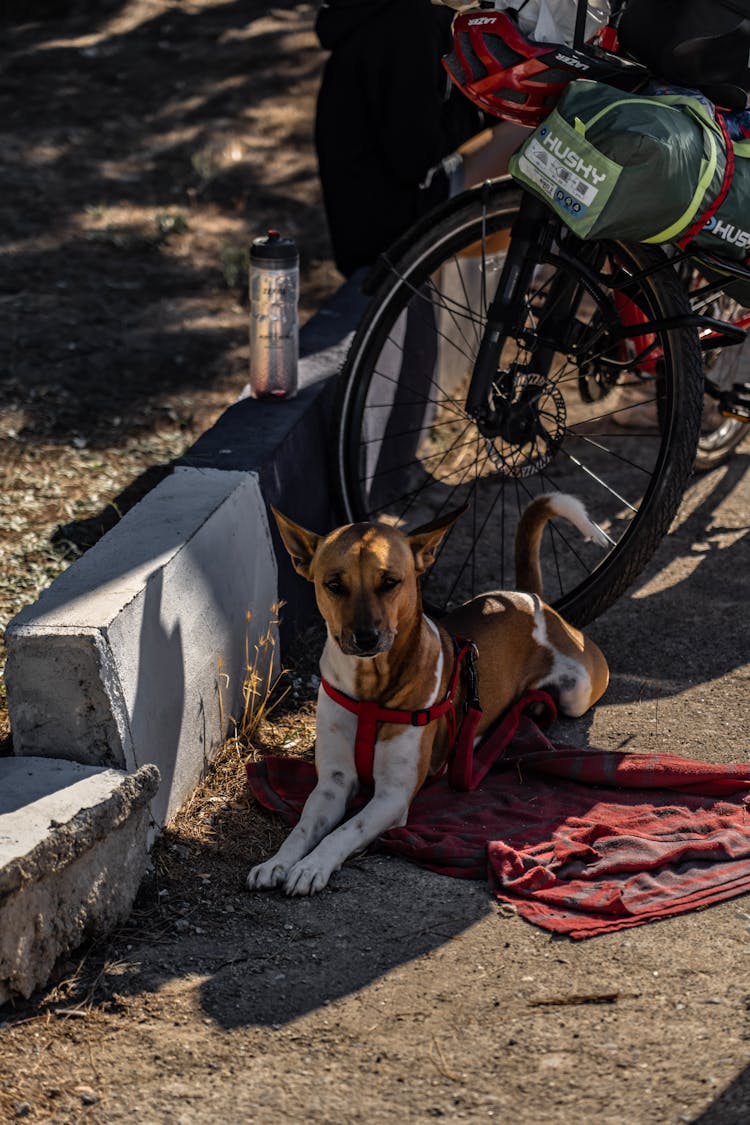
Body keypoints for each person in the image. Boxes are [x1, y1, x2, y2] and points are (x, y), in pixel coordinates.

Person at [314, 0, 488, 278]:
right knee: (527, 135)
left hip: (364, 232)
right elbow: (416, 158)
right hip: (394, 232)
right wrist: (477, 103)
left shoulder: (381, 14)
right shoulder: (409, 20)